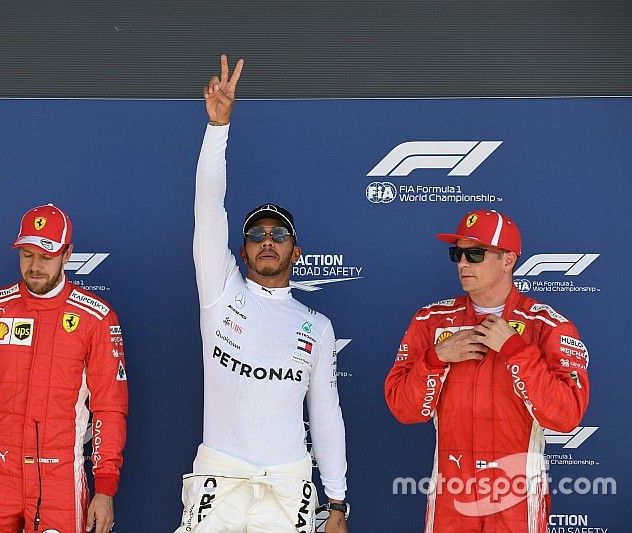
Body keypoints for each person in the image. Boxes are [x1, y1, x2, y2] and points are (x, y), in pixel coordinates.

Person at [174, 55, 349, 533]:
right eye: (256, 234)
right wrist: (217, 129)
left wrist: (337, 503)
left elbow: (326, 415)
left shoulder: (316, 325)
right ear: (241, 248)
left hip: (289, 484)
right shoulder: (220, 290)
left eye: (278, 234)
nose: (267, 240)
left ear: (296, 251)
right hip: (221, 477)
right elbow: (207, 209)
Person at [385, 210, 590, 532]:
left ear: (508, 260)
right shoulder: (431, 321)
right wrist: (436, 359)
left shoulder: (547, 326)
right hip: (451, 495)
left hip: (517, 497)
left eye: (475, 254)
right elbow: (404, 409)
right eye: (457, 253)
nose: (462, 263)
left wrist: (516, 351)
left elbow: (566, 416)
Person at [0, 204, 128, 533]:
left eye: (46, 256)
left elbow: (110, 408)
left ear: (67, 254)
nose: (34, 266)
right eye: (26, 255)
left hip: (59, 477)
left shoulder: (96, 317)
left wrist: (105, 490)